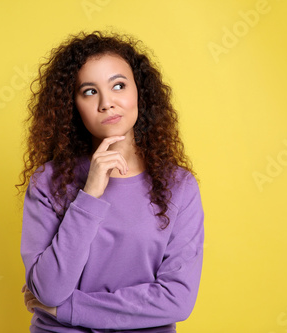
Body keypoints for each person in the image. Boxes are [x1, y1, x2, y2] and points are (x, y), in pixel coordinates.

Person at [17, 30, 205, 333]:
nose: (107, 103)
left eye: (118, 85)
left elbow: (177, 300)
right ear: (72, 105)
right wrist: (90, 194)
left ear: (139, 93)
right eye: (89, 91)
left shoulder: (179, 186)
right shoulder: (48, 182)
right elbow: (49, 290)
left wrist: (67, 309)